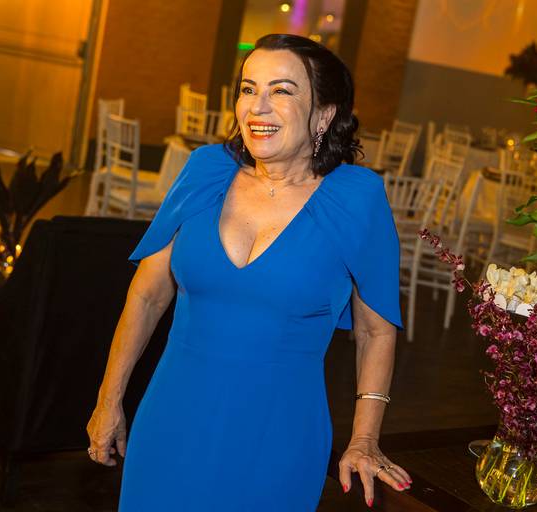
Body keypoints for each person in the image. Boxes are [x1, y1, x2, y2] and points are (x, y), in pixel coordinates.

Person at [86, 33, 410, 510]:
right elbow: (147, 295)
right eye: (248, 88)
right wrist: (108, 400)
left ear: (324, 114)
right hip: (171, 421)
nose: (257, 106)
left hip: (277, 437)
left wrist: (364, 438)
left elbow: (375, 331)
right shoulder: (205, 170)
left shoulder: (356, 199)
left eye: (281, 90)